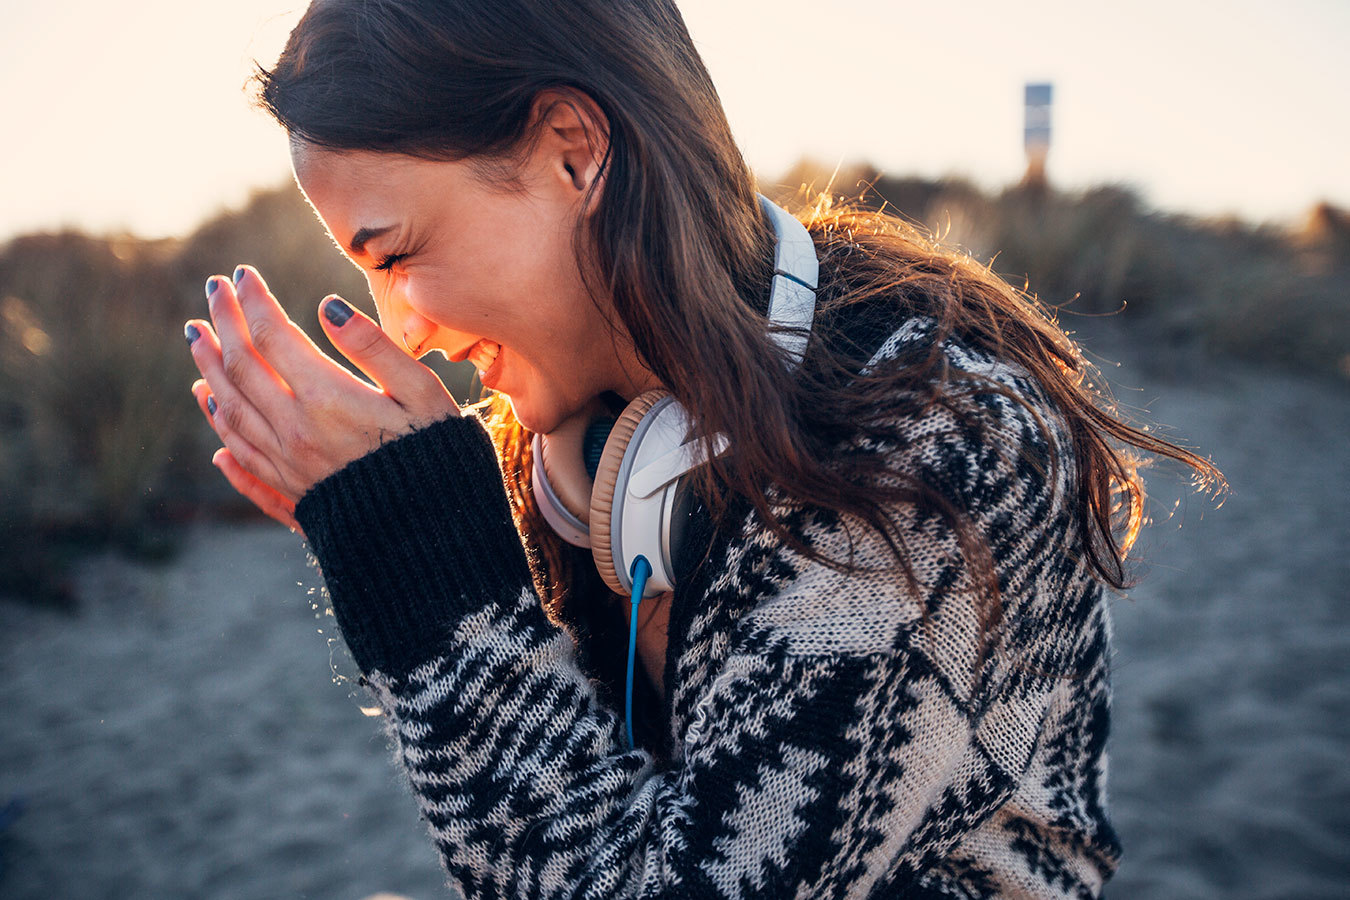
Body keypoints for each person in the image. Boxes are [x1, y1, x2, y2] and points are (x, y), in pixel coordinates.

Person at [183, 1, 1221, 897]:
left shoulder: (935, 442)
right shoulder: (563, 446)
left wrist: (430, 582)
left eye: (397, 253)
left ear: (573, 151)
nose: (402, 329)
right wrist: (402, 546)